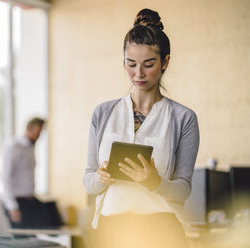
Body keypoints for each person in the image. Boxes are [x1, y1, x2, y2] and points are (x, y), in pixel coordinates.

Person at [83, 8, 199, 248]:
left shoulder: (183, 118)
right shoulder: (102, 113)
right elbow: (88, 181)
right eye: (131, 64)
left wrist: (154, 182)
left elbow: (184, 189)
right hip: (109, 233)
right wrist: (101, 178)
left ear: (165, 61)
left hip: (162, 233)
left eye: (148, 64)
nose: (138, 74)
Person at [2, 117, 62, 229]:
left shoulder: (31, 147)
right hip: (16, 202)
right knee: (21, 241)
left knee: (53, 219)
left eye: (40, 133)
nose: (38, 136)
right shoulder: (13, 147)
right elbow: (6, 178)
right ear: (29, 129)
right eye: (37, 132)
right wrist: (12, 206)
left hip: (29, 199)